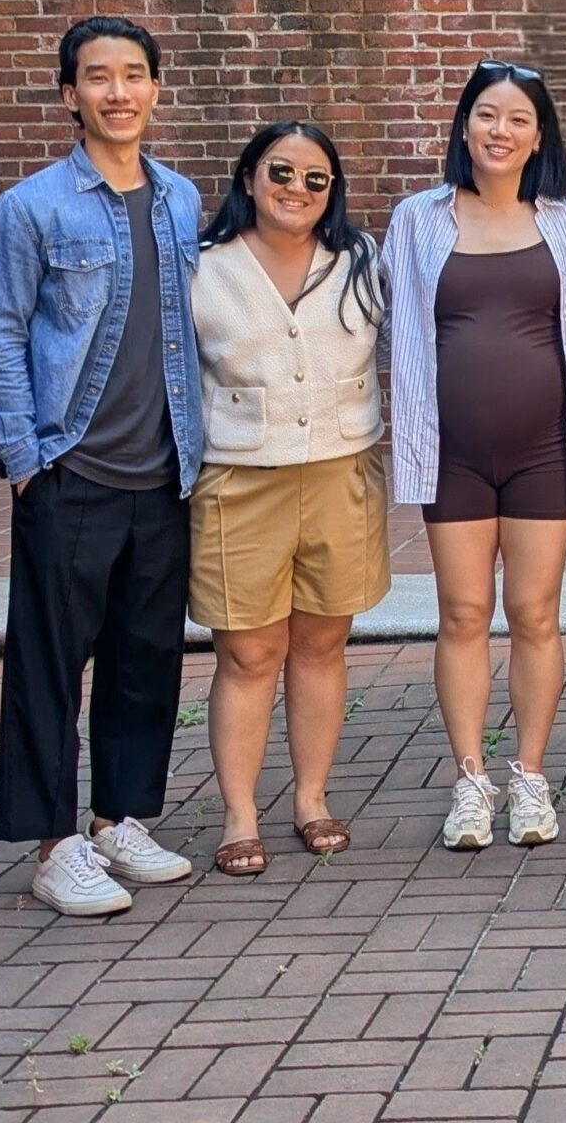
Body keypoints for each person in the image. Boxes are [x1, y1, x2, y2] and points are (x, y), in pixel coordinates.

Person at [0, 16, 203, 916]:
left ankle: (119, 821)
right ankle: (54, 843)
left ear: (155, 89)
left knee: (146, 659)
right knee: (49, 665)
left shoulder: (182, 201)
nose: (118, 92)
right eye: (98, 77)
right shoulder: (31, 208)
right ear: (70, 95)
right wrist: (25, 459)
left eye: (134, 74)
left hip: (166, 472)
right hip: (71, 472)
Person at [386, 60, 566, 851]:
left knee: (535, 614)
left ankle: (530, 777)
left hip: (546, 449)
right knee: (463, 614)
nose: (500, 131)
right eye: (486, 115)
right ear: (464, 125)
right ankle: (471, 782)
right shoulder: (417, 219)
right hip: (449, 453)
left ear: (538, 134)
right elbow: (395, 330)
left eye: (517, 118)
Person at [190, 121, 390, 876]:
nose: (297, 190)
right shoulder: (203, 268)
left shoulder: (360, 262)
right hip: (240, 481)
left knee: (321, 643)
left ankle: (311, 797)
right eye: (281, 173)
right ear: (248, 179)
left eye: (316, 179)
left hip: (340, 474)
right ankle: (239, 812)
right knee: (247, 651)